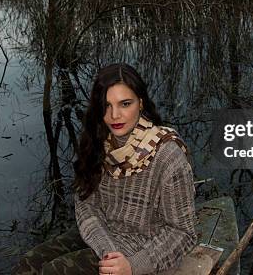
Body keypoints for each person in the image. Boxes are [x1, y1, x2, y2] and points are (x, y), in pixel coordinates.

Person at [12, 63, 197, 274]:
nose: (114, 115)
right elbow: (85, 202)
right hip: (101, 234)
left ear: (141, 103)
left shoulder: (168, 155)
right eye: (106, 106)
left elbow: (183, 232)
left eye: (125, 104)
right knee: (28, 263)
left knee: (55, 271)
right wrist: (106, 247)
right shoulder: (98, 141)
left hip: (144, 248)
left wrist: (133, 265)